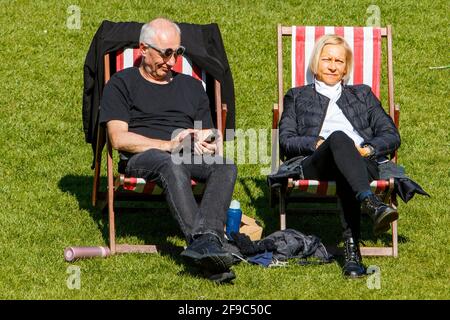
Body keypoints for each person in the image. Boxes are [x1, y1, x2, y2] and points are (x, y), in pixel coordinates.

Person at [99, 18, 237, 282]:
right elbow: (118, 138)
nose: (172, 61)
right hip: (144, 156)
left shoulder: (193, 86)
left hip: (187, 152)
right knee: (169, 163)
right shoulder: (121, 83)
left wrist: (209, 139)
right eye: (165, 53)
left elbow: (211, 135)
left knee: (225, 164)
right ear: (143, 49)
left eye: (178, 52)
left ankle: (207, 241)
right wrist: (169, 145)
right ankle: (204, 244)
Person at [279, 34, 400, 278]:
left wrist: (366, 150)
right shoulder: (297, 95)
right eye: (327, 59)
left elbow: (391, 134)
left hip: (361, 161)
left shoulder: (363, 94)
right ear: (316, 62)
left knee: (347, 163)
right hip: (316, 161)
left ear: (346, 68)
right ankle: (369, 205)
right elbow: (286, 140)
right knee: (338, 137)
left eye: (339, 61)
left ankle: (353, 258)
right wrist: (316, 142)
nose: (333, 66)